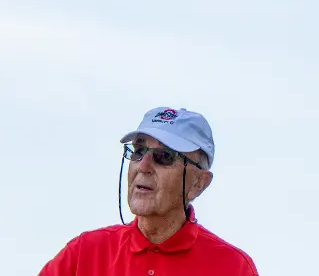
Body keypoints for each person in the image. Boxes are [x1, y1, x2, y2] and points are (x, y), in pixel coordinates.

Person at [39, 107, 259, 276]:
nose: (143, 165)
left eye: (164, 156)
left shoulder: (233, 267)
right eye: (139, 151)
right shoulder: (84, 254)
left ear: (199, 183)